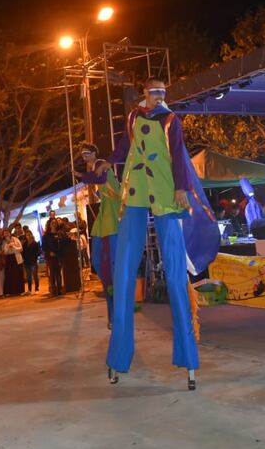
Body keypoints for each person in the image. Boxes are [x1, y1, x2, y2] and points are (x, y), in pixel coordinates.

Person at [95, 77, 219, 387]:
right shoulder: (134, 116)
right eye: (154, 92)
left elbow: (178, 154)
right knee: (123, 273)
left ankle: (188, 359)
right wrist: (107, 160)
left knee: (176, 276)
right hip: (135, 190)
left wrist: (180, 187)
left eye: (163, 92)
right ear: (144, 95)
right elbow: (126, 144)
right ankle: (118, 357)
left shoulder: (170, 119)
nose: (159, 96)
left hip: (165, 193)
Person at [75, 142, 120, 325]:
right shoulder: (94, 168)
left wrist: (81, 176)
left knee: (109, 266)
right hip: (106, 213)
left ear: (94, 153)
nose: (84, 156)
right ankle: (113, 313)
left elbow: (100, 179)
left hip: (113, 214)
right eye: (82, 154)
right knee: (98, 262)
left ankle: (116, 314)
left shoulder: (100, 164)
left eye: (86, 153)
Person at [1, 229, 24, 296]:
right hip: (8, 258)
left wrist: (13, 246)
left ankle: (19, 290)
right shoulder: (4, 242)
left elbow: (21, 248)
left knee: (18, 274)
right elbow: (4, 252)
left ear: (10, 233)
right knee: (9, 275)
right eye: (5, 233)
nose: (6, 234)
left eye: (7, 233)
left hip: (16, 257)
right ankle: (10, 291)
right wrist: (8, 246)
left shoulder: (15, 239)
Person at [42, 219, 62, 295]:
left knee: (58, 273)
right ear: (49, 225)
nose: (54, 224)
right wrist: (49, 252)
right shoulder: (46, 236)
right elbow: (43, 247)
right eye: (52, 223)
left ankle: (59, 289)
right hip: (51, 257)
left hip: (59, 256)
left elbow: (63, 244)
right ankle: (53, 290)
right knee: (53, 274)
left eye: (55, 223)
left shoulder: (60, 233)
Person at [21, 230, 41, 295]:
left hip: (33, 261)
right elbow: (22, 252)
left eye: (29, 234)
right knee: (29, 277)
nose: (28, 236)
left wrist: (35, 257)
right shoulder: (25, 244)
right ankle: (29, 290)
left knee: (35, 276)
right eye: (26, 235)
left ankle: (36, 289)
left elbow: (39, 252)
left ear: (31, 235)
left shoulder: (35, 243)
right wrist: (23, 258)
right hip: (27, 262)